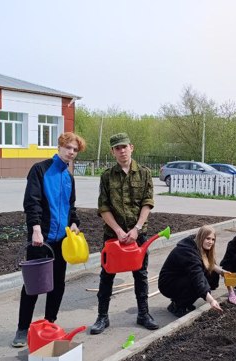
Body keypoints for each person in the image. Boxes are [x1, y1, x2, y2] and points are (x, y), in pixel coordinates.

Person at [12, 132, 86, 347]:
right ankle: (22, 329)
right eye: (68, 148)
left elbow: (71, 207)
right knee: (33, 286)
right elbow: (31, 202)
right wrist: (35, 229)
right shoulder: (40, 170)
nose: (71, 152)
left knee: (57, 285)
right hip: (40, 239)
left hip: (61, 241)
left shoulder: (68, 177)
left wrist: (74, 223)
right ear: (60, 146)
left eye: (75, 150)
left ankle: (49, 323)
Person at [89, 133, 158, 334]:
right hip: (113, 235)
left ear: (131, 147)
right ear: (112, 152)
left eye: (124, 147)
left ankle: (143, 314)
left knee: (141, 274)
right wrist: (118, 231)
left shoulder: (144, 173)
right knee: (107, 275)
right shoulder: (107, 176)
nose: (121, 151)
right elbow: (103, 207)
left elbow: (148, 203)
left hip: (139, 235)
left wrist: (137, 228)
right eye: (117, 148)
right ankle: (102, 317)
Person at [159, 225, 224, 317]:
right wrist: (211, 300)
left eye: (213, 239)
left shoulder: (198, 245)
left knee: (212, 273)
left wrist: (222, 272)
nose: (211, 242)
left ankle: (185, 302)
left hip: (181, 277)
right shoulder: (188, 252)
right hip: (168, 284)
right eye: (208, 239)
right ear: (201, 237)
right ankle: (177, 306)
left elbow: (208, 264)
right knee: (196, 282)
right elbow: (198, 278)